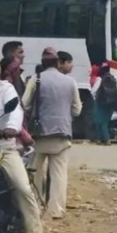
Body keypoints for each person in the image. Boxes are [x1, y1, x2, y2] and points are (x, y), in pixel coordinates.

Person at [0, 55, 47, 233]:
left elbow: (15, 111)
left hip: (3, 147)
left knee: (23, 188)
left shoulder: (7, 90)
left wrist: (12, 128)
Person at [22, 47, 81, 220]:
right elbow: (77, 110)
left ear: (42, 63)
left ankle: (34, 208)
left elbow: (25, 104)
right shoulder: (70, 82)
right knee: (59, 174)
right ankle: (55, 210)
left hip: (39, 134)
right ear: (57, 63)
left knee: (35, 173)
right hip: (62, 133)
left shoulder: (36, 79)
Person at [91, 64, 117, 145]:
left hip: (100, 103)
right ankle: (106, 139)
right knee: (105, 122)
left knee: (99, 122)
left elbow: (93, 91)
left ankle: (102, 139)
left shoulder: (99, 79)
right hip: (110, 104)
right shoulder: (113, 79)